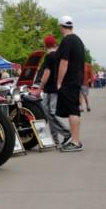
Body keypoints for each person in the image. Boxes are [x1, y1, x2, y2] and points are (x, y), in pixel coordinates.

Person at [55, 16, 86, 152]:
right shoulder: (78, 40)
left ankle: (75, 142)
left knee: (72, 110)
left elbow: (64, 62)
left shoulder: (67, 41)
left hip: (69, 80)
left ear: (61, 26)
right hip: (77, 78)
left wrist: (59, 81)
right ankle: (75, 139)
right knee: (74, 110)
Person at [37, 35, 69, 145]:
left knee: (50, 114)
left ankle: (66, 133)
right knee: (50, 114)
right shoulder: (59, 56)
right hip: (56, 89)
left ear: (45, 44)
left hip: (49, 89)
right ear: (54, 43)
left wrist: (39, 88)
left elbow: (46, 73)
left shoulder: (49, 56)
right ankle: (55, 140)